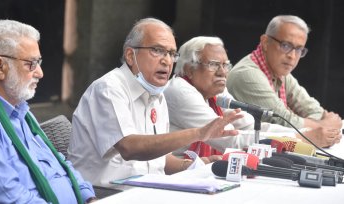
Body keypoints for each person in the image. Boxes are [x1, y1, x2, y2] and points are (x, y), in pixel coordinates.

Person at [67, 18, 243, 189]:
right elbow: (130, 148)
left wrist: (194, 165)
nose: (166, 61)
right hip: (105, 194)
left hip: (149, 189)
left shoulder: (156, 95)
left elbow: (158, 160)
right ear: (130, 55)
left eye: (171, 54)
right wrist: (198, 133)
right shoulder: (108, 89)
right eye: (157, 50)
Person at [0, 20, 96, 203]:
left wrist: (88, 197)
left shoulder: (20, 110)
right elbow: (7, 197)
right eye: (31, 64)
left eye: (39, 62)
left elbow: (59, 164)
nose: (40, 73)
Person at [165, 36, 320, 158]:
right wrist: (297, 139)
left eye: (225, 65)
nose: (222, 72)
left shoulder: (216, 90)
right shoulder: (180, 91)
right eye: (213, 64)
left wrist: (301, 133)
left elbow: (250, 126)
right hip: (178, 176)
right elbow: (230, 140)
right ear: (189, 69)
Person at [226, 15, 342, 148]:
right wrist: (325, 125)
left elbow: (312, 109)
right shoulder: (247, 75)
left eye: (299, 49)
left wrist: (318, 124)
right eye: (285, 45)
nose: (292, 56)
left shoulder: (279, 70)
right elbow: (283, 122)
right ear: (265, 42)